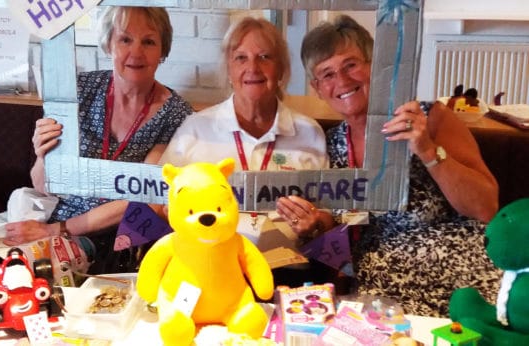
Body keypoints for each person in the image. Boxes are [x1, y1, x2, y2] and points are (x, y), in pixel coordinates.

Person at [276, 14, 502, 316]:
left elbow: (486, 207)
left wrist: (428, 151)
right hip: (381, 294)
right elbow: (339, 225)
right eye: (327, 74)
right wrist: (315, 222)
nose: (342, 80)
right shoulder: (330, 144)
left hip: (459, 285)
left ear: (376, 66)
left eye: (351, 65)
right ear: (317, 88)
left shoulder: (427, 118)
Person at [3, 6, 193, 272]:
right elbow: (44, 185)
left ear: (163, 51)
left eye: (148, 41)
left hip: (121, 238)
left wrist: (57, 231)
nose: (136, 52)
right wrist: (43, 155)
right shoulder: (79, 90)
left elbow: (144, 198)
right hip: (53, 220)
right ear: (108, 44)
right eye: (125, 39)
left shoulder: (176, 114)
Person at [158, 16, 336, 287]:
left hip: (289, 275)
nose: (253, 67)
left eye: (265, 56)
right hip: (210, 270)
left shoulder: (309, 132)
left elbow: (331, 214)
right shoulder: (195, 129)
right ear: (228, 69)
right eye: (240, 57)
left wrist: (315, 222)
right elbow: (161, 200)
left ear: (281, 70)